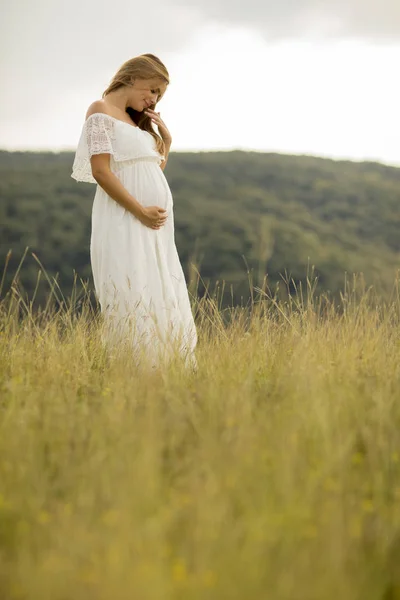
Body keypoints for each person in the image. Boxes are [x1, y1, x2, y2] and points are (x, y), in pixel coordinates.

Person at [71, 54, 197, 369]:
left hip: (153, 226)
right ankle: (133, 370)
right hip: (125, 217)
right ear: (132, 77)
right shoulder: (100, 111)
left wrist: (166, 140)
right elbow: (101, 172)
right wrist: (140, 211)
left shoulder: (135, 121)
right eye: (152, 89)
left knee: (158, 284)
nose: (153, 98)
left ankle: (167, 368)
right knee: (132, 286)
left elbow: (151, 169)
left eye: (159, 94)